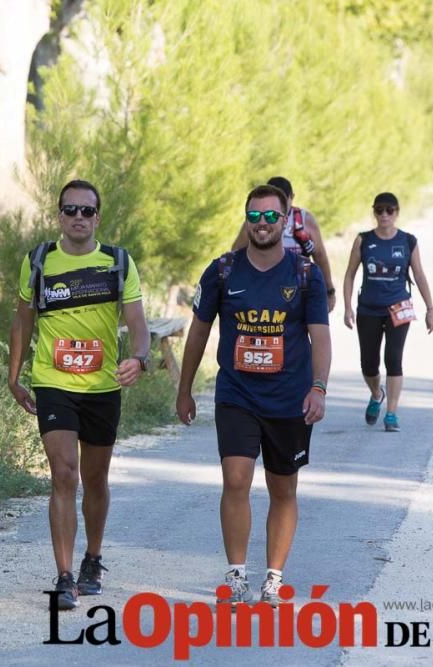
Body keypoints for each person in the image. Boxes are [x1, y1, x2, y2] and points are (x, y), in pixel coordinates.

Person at [177, 184, 331, 608]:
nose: (262, 224)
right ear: (246, 220)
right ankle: (237, 576)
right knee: (236, 479)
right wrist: (185, 389)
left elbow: (320, 337)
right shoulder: (224, 271)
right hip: (237, 395)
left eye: (270, 217)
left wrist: (318, 387)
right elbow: (199, 333)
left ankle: (274, 580)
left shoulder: (305, 274)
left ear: (285, 222)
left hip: (289, 400)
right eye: (254, 216)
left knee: (283, 490)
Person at [8, 179, 150, 611]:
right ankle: (65, 575)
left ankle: (92, 558)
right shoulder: (38, 261)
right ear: (59, 216)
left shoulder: (118, 263)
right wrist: (15, 375)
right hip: (54, 381)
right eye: (70, 210)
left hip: (103, 386)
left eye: (87, 211)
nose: (78, 218)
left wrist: (140, 358)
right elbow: (22, 321)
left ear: (98, 218)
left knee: (95, 479)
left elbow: (138, 324)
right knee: (64, 473)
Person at [341, 192, 433, 433]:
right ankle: (376, 393)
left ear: (397, 212)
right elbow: (350, 274)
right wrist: (347, 306)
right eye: (379, 210)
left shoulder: (408, 241)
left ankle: (391, 413)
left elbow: (419, 275)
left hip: (398, 307)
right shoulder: (363, 240)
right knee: (368, 364)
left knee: (393, 359)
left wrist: (430, 309)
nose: (384, 215)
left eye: (389, 210)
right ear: (374, 212)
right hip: (369, 309)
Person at [231, 176, 337, 312]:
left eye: (283, 202)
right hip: (262, 290)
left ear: (291, 197)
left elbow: (320, 256)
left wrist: (329, 290)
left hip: (298, 292)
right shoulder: (255, 222)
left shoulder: (305, 220)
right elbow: (236, 253)